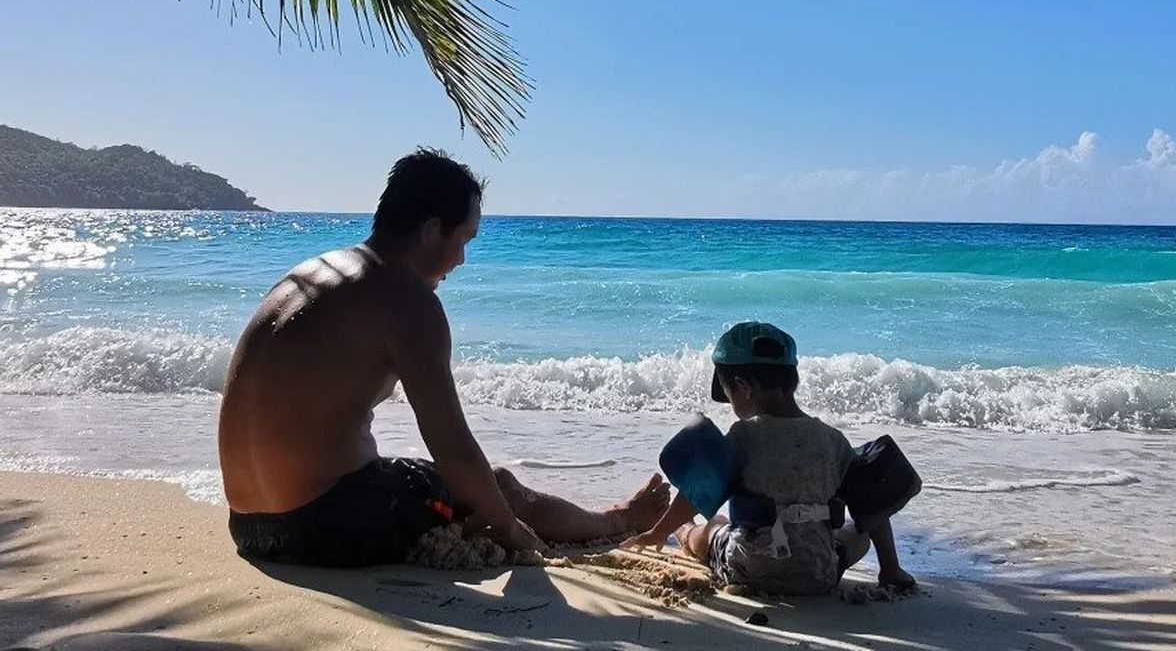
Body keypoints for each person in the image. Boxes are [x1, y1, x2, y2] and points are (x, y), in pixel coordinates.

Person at [219, 149, 669, 567]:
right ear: (432, 228)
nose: (462, 260)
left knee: (451, 490)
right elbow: (452, 449)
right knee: (501, 488)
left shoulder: (310, 276)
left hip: (247, 524)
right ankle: (620, 521)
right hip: (322, 526)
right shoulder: (407, 300)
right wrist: (510, 528)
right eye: (464, 239)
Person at [623, 321, 916, 595]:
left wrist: (657, 533)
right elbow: (873, 505)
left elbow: (697, 491)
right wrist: (890, 569)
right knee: (858, 534)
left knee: (715, 525)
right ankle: (892, 571)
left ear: (744, 386)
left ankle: (684, 533)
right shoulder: (832, 440)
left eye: (728, 393)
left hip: (747, 568)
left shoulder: (743, 436)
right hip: (818, 575)